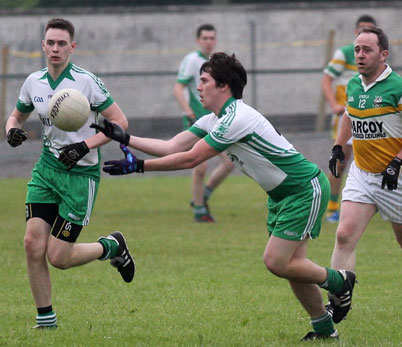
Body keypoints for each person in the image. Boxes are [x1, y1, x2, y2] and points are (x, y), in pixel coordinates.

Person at [92, 52, 356, 341]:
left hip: (303, 189)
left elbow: (190, 159)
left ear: (224, 86)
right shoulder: (213, 120)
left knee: (276, 261)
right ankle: (324, 330)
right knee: (295, 268)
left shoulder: (236, 118)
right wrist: (124, 138)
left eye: (204, 81)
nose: (198, 87)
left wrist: (139, 166)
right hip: (282, 196)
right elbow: (171, 147)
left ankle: (340, 281)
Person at [5, 18, 135, 329]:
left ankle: (112, 246)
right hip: (47, 171)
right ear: (43, 45)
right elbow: (15, 116)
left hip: (81, 176)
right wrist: (12, 131)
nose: (55, 48)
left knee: (59, 258)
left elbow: (121, 124)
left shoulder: (86, 81)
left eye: (62, 43)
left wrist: (84, 145)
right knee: (31, 244)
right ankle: (45, 319)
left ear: (72, 47)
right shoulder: (33, 82)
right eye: (50, 42)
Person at [328, 26, 402, 318]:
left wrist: (397, 163)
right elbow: (349, 113)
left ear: (383, 55)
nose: (360, 55)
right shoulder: (354, 85)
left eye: (367, 50)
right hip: (363, 174)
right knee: (344, 235)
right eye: (357, 49)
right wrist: (338, 147)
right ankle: (337, 301)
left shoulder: (401, 88)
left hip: (399, 178)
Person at [173, 23, 234, 223]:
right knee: (199, 166)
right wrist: (189, 113)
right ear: (198, 40)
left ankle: (203, 195)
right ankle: (200, 210)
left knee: (230, 162)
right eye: (205, 38)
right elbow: (178, 88)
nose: (208, 41)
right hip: (196, 121)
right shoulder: (191, 60)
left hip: (216, 121)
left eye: (211, 38)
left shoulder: (216, 64)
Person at [322, 15, 377, 223]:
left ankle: (376, 204)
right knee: (340, 162)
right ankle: (332, 208)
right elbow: (326, 80)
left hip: (369, 119)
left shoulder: (377, 56)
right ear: (355, 32)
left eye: (369, 29)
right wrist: (334, 105)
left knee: (372, 161)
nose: (365, 33)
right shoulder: (345, 53)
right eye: (362, 29)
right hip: (347, 116)